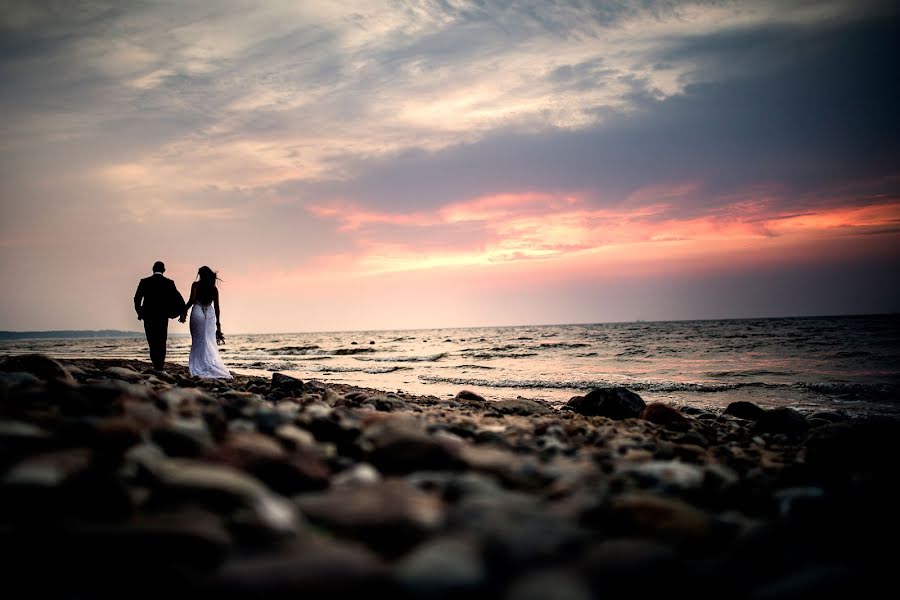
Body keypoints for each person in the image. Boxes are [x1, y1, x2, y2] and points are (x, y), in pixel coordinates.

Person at [180, 266, 232, 379]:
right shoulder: (213, 289)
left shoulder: (196, 285)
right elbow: (217, 307)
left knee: (198, 340)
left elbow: (191, 300)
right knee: (209, 340)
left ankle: (199, 365)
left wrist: (183, 311)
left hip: (198, 310)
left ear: (201, 275)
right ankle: (209, 364)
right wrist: (218, 325)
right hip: (210, 314)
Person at [134, 261, 185, 372]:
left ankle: (156, 364)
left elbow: (136, 299)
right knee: (161, 340)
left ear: (153, 269)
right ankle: (159, 365)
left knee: (151, 340)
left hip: (148, 315)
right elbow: (179, 299)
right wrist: (179, 313)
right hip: (162, 316)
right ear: (164, 270)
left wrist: (140, 313)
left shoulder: (144, 282)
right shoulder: (169, 283)